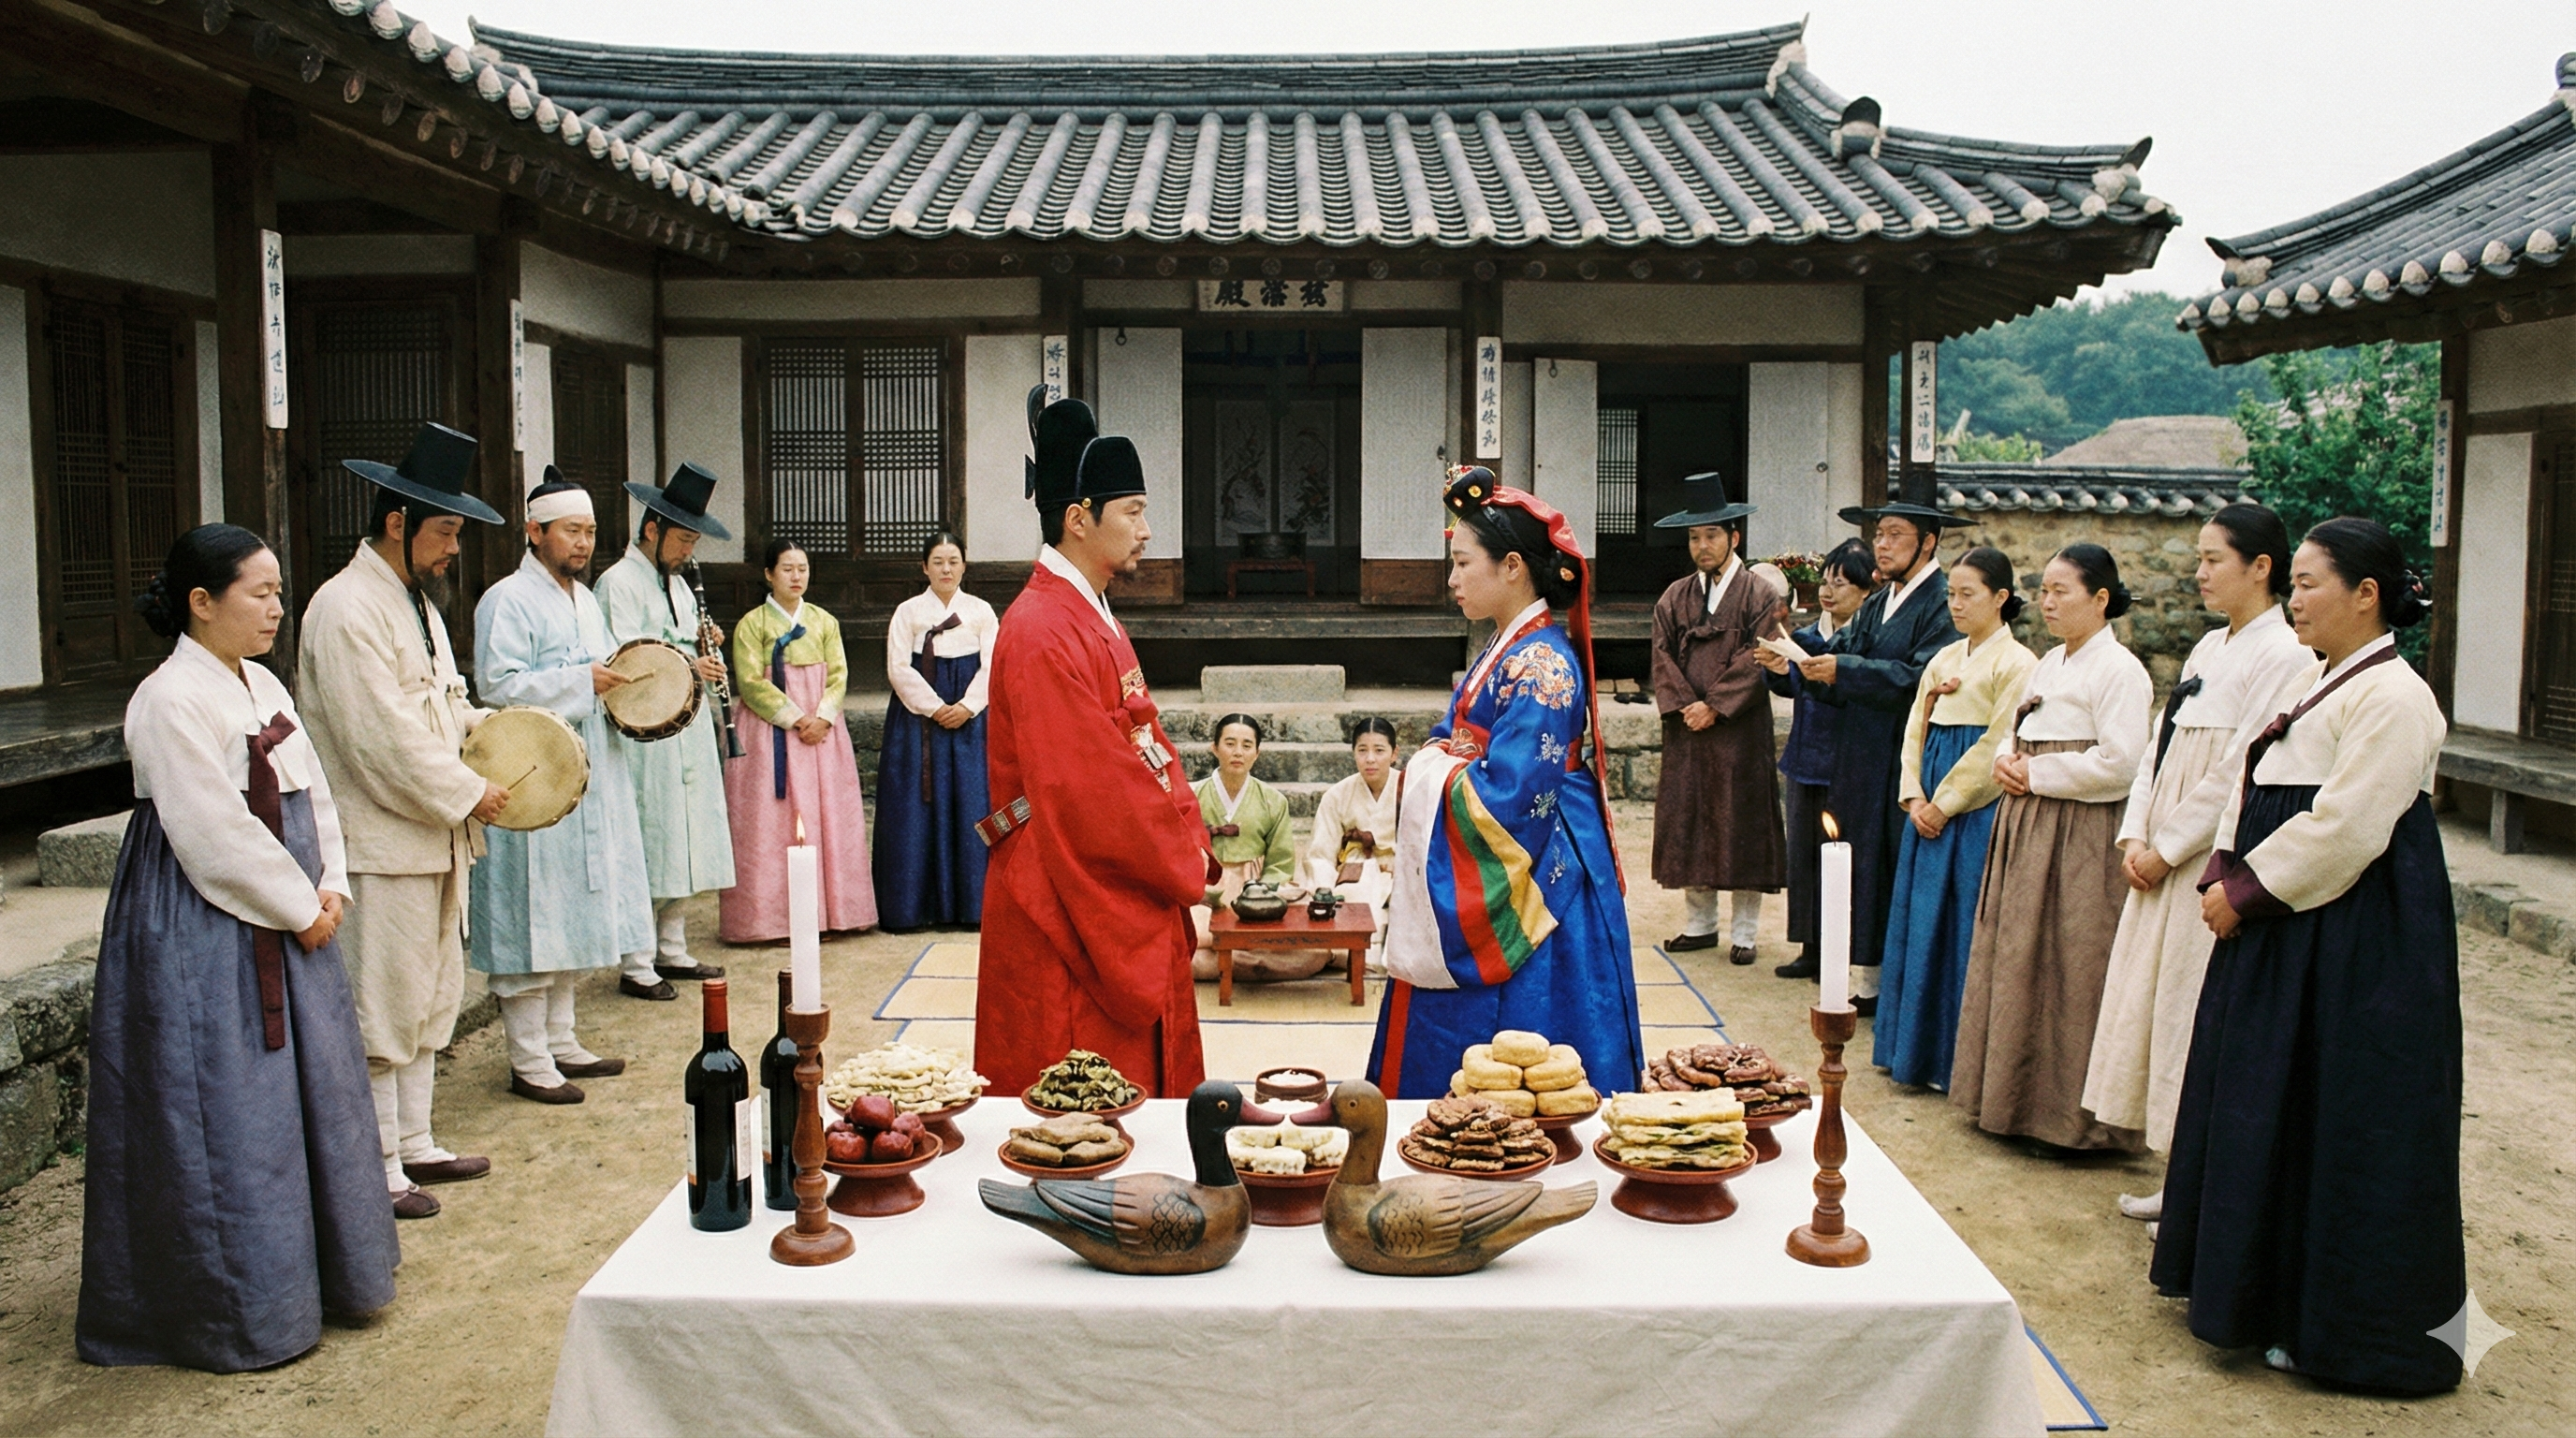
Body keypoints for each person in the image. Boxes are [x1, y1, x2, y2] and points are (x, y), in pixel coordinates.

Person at [79, 525, 399, 1371]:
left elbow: (315, 793)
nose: (275, 608)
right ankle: (236, 1309)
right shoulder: (167, 698)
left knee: (311, 1093)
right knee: (223, 1106)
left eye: (278, 592)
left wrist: (329, 882)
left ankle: (327, 1278)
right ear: (201, 601)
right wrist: (297, 905)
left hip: (294, 911)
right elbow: (211, 831)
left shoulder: (259, 680)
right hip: (204, 919)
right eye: (259, 593)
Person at [2154, 518, 2462, 1391]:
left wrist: (2246, 889)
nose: (2295, 599)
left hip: (2351, 932)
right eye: (2292, 584)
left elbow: (2350, 824)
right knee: (2265, 1103)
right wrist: (2223, 867)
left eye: (2310, 583)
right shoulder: (2321, 680)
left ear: (2367, 594)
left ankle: (2333, 1323)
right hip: (2280, 924)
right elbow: (2249, 782)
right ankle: (2257, 1298)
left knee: (2338, 1112)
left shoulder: (2396, 695)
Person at [1369, 467, 1642, 1098]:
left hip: (1540, 855)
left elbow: (1511, 795)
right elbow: (1448, 735)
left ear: (1513, 565)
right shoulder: (1508, 648)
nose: (1453, 578)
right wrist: (1440, 761)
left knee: (1530, 1047)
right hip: (1533, 836)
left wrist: (1429, 773)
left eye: (1464, 563)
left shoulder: (1542, 662)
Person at [973, 391, 1213, 1098]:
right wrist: (1178, 859)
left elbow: (1144, 735)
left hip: (1103, 859)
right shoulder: (1042, 627)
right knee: (1077, 1098)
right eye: (1133, 511)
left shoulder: (1086, 608)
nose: (1146, 529)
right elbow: (1087, 785)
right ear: (1079, 519)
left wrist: (1188, 832)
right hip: (1064, 879)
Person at [297, 422, 508, 1220]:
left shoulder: (415, 604)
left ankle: (416, 1140)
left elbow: (442, 710)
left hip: (434, 832)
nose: (454, 547)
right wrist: (465, 791)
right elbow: (376, 737)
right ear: (398, 524)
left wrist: (493, 739)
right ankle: (377, 1162)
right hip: (383, 835)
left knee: (429, 994)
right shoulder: (344, 608)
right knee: (380, 1001)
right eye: (446, 531)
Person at [2084, 505, 2310, 1220]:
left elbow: (2239, 767)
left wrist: (2171, 846)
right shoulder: (2209, 647)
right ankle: (2175, 1171)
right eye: (2200, 558)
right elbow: (2162, 743)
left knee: (2192, 1006)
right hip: (2157, 842)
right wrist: (2134, 832)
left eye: (2214, 559)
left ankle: (2203, 1188)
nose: (2201, 572)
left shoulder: (2285, 655)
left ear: (2261, 567)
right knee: (2151, 1005)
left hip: (2207, 850)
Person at [1950, 544, 2152, 1152]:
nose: (2049, 602)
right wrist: (2013, 760)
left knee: (2072, 962)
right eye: (2046, 590)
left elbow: (2123, 763)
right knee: (2016, 957)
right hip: (2026, 823)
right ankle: (2010, 1102)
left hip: (2079, 835)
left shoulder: (2121, 671)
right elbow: (2018, 724)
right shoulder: (2049, 664)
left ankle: (2072, 1121)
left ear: (2100, 598)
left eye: (2063, 591)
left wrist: (2040, 774)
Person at [470, 479, 651, 1104]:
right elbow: (497, 684)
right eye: (570, 530)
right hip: (531, 775)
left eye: (590, 531)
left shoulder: (584, 600)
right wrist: (582, 680)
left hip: (588, 768)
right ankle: (527, 1059)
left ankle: (563, 1038)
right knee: (532, 908)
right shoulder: (507, 599)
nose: (581, 543)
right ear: (534, 531)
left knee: (577, 901)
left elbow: (603, 670)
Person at [1754, 503, 1969, 1012]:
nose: (1883, 544)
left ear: (1929, 542)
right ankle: (1868, 978)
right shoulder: (1882, 601)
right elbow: (1844, 656)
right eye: (1880, 534)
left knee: (1893, 863)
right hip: (1859, 748)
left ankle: (1896, 984)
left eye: (1896, 535)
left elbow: (1921, 676)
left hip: (1902, 749)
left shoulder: (1940, 602)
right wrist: (1794, 668)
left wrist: (1842, 670)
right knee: (1863, 862)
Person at [1874, 548, 2036, 1090]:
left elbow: (1999, 742)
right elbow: (1914, 730)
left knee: (1963, 925)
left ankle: (1952, 1060)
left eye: (1969, 594)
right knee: (1920, 922)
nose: (1957, 604)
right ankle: (1911, 1053)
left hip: (1971, 812)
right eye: (1952, 594)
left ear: (2001, 598)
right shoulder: (1943, 659)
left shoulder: (2018, 664)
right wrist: (1914, 796)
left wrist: (1947, 803)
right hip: (1928, 806)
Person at [595, 462, 737, 999]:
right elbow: (629, 659)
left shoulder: (679, 583)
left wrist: (706, 648)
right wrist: (686, 659)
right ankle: (637, 959)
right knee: (650, 836)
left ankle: (672, 945)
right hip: (647, 725)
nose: (688, 552)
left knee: (687, 835)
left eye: (693, 542)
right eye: (681, 540)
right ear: (651, 530)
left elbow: (678, 640)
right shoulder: (618, 582)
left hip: (688, 720)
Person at [1647, 475, 1787, 965]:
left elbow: (1763, 654)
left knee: (1742, 821)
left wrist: (1716, 705)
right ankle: (1699, 925)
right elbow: (1661, 654)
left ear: (1734, 538)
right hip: (1688, 728)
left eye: (1711, 535)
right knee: (1692, 820)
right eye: (1693, 537)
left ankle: (1745, 933)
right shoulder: (1675, 596)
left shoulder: (1759, 594)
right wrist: (1687, 704)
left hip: (1739, 729)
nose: (1702, 546)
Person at [722, 538, 877, 943]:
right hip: (770, 732)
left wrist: (822, 717)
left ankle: (834, 914)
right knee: (769, 823)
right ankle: (767, 921)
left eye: (802, 568)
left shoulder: (824, 622)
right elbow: (750, 683)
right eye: (787, 568)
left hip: (821, 735)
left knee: (827, 815)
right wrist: (795, 718)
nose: (796, 576)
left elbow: (839, 676)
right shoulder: (752, 625)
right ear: (769, 574)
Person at [874, 529, 996, 931]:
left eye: (954, 561)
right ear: (924, 567)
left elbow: (993, 667)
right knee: (914, 807)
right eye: (938, 562)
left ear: (964, 565)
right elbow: (897, 668)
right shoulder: (907, 612)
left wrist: (966, 706)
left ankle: (973, 906)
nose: (946, 569)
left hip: (970, 721)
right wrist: (934, 707)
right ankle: (911, 908)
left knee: (971, 801)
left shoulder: (981, 611)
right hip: (916, 723)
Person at [1776, 540, 1875, 975]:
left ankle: (1845, 949)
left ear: (1867, 590)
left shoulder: (1868, 639)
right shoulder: (1807, 635)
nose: (1829, 592)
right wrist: (1777, 669)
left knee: (1845, 858)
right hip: (1804, 756)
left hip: (1847, 760)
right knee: (1803, 859)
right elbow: (1787, 688)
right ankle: (1809, 947)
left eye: (1842, 583)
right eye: (1826, 581)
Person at [1189, 714, 1310, 982]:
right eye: (1230, 743)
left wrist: (1262, 894)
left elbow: (1280, 863)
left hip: (1255, 889)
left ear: (1257, 753)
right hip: (1203, 890)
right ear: (1214, 748)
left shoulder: (1273, 801)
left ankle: (1218, 964)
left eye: (1246, 745)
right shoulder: (1190, 795)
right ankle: (1248, 963)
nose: (1238, 752)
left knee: (1310, 941)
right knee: (1190, 933)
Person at [1299, 716, 1404, 914]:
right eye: (1362, 750)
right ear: (1354, 752)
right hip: (1353, 878)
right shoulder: (1337, 795)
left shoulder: (1409, 789)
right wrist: (1325, 889)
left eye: (1379, 750)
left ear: (1394, 753)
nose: (1370, 759)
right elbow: (1321, 854)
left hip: (1398, 876)